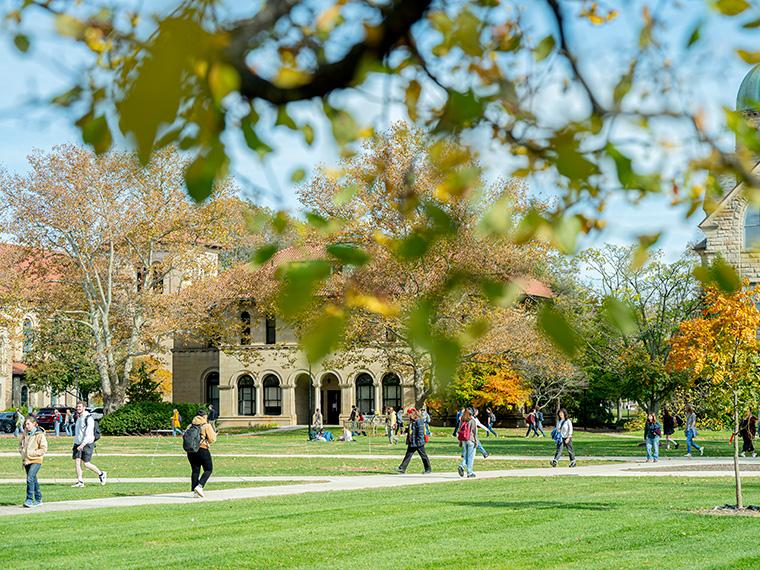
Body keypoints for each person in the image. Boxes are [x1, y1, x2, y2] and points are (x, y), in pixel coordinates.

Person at [71, 401, 107, 488]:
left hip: (87, 444)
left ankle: (101, 474)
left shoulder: (88, 418)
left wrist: (82, 444)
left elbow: (88, 434)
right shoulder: (78, 418)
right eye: (77, 407)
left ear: (84, 407)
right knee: (77, 462)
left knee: (86, 463)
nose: (78, 408)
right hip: (77, 443)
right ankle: (80, 481)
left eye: (80, 407)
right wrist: (76, 443)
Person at [185, 409, 217, 498]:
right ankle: (200, 486)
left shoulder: (190, 425)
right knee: (208, 469)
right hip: (202, 449)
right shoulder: (206, 426)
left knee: (195, 470)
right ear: (204, 417)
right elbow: (212, 439)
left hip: (191, 451)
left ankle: (195, 492)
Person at [19, 413, 47, 508]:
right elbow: (21, 445)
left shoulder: (39, 435)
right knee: (33, 479)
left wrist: (32, 453)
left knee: (30, 478)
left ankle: (29, 499)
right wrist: (23, 452)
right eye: (25, 424)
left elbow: (43, 449)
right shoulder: (25, 434)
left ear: (34, 424)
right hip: (26, 460)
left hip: (36, 460)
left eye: (28, 424)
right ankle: (38, 499)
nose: (26, 426)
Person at [397, 409, 432, 474]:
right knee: (408, 455)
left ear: (412, 414)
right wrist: (405, 430)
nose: (408, 416)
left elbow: (420, 432)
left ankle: (428, 469)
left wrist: (419, 441)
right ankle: (402, 468)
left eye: (408, 414)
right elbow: (412, 430)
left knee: (423, 456)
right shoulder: (412, 421)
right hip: (412, 442)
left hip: (418, 442)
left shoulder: (419, 421)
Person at [456, 408, 478, 477]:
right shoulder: (472, 421)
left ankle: (462, 466)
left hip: (464, 440)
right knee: (471, 457)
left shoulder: (462, 421)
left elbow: (459, 431)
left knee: (465, 455)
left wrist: (460, 441)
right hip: (471, 440)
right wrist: (476, 442)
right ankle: (469, 472)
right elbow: (475, 433)